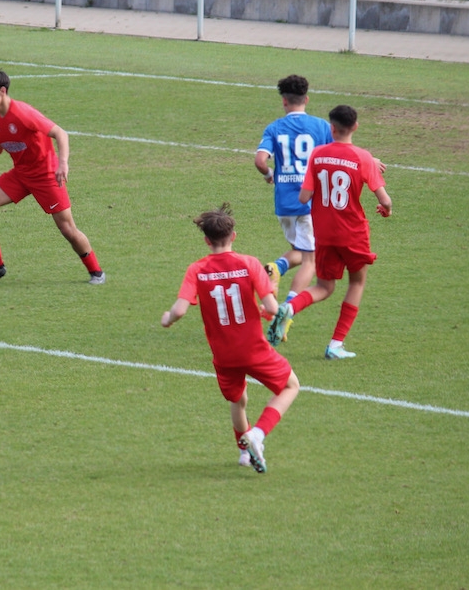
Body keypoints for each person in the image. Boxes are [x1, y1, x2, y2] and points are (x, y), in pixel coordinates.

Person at [161, 203, 301, 474]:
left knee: (238, 401)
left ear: (206, 240)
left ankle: (244, 454)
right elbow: (272, 309)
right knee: (290, 386)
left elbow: (179, 310)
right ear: (233, 236)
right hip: (253, 349)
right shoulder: (249, 263)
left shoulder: (197, 269)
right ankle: (258, 434)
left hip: (224, 356)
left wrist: (167, 318)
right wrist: (269, 303)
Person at [0, 68, 105, 285]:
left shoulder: (23, 113)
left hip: (47, 177)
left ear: (2, 91)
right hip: (21, 175)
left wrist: (63, 163)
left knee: (67, 228)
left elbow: (60, 133)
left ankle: (96, 271)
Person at [267, 105, 392, 360]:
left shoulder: (317, 154)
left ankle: (289, 307)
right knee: (356, 282)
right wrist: (386, 209)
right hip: (353, 233)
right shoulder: (363, 157)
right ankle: (336, 345)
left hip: (323, 233)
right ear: (355, 127)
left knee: (324, 286)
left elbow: (304, 197)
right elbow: (385, 199)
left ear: (331, 128)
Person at [254, 74, 332, 304]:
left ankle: (276, 267)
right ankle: (288, 309)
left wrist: (269, 175)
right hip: (309, 203)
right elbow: (339, 152)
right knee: (310, 261)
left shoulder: (274, 128)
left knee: (301, 250)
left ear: (284, 101)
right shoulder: (321, 126)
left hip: (284, 204)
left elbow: (260, 161)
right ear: (306, 99)